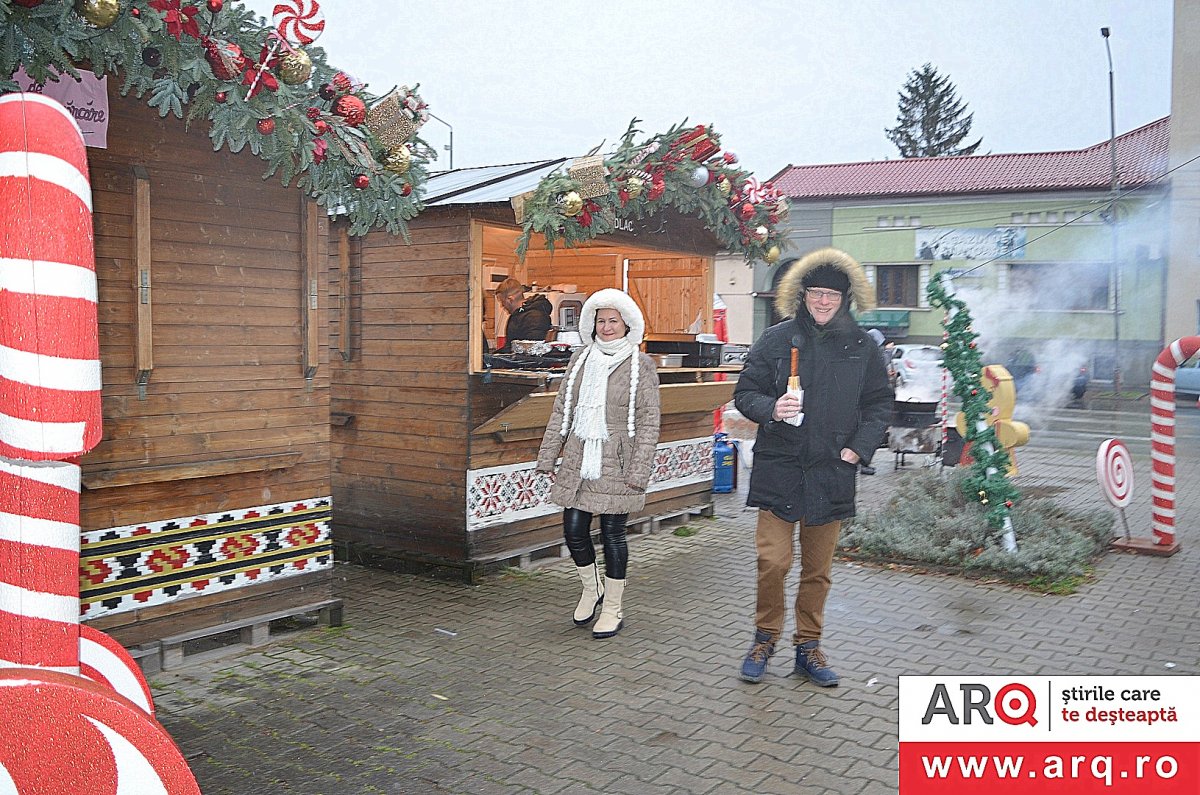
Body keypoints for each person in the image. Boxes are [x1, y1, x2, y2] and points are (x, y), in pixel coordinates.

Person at [733, 248, 893, 686]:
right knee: (773, 561)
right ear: (802, 295)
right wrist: (771, 408)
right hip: (780, 468)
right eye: (816, 293)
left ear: (845, 299)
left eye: (832, 295)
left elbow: (879, 404)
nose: (823, 301)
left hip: (831, 472)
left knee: (817, 570)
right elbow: (744, 392)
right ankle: (764, 638)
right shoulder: (776, 339)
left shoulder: (862, 346)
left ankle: (808, 647)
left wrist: (858, 449)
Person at [536, 289, 661, 639]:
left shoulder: (640, 365)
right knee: (573, 529)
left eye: (613, 321)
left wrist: (639, 471)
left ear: (627, 324)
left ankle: (613, 608)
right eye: (601, 320)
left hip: (618, 460)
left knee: (612, 534)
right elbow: (562, 410)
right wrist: (548, 455)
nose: (606, 327)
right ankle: (592, 590)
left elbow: (649, 422)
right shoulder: (580, 359)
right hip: (580, 456)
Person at [495, 278, 553, 351]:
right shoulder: (517, 316)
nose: (502, 305)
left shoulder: (533, 318)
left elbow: (532, 350)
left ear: (510, 300)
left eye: (502, 302)